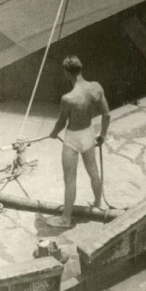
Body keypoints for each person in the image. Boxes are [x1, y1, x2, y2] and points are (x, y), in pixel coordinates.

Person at [47, 55, 111, 228]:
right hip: (89, 133)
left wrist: (53, 133)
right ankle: (98, 204)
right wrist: (103, 135)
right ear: (81, 69)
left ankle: (66, 219)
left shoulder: (68, 98)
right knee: (93, 171)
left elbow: (61, 123)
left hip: (73, 137)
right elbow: (107, 115)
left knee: (70, 179)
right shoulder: (96, 87)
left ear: (67, 73)